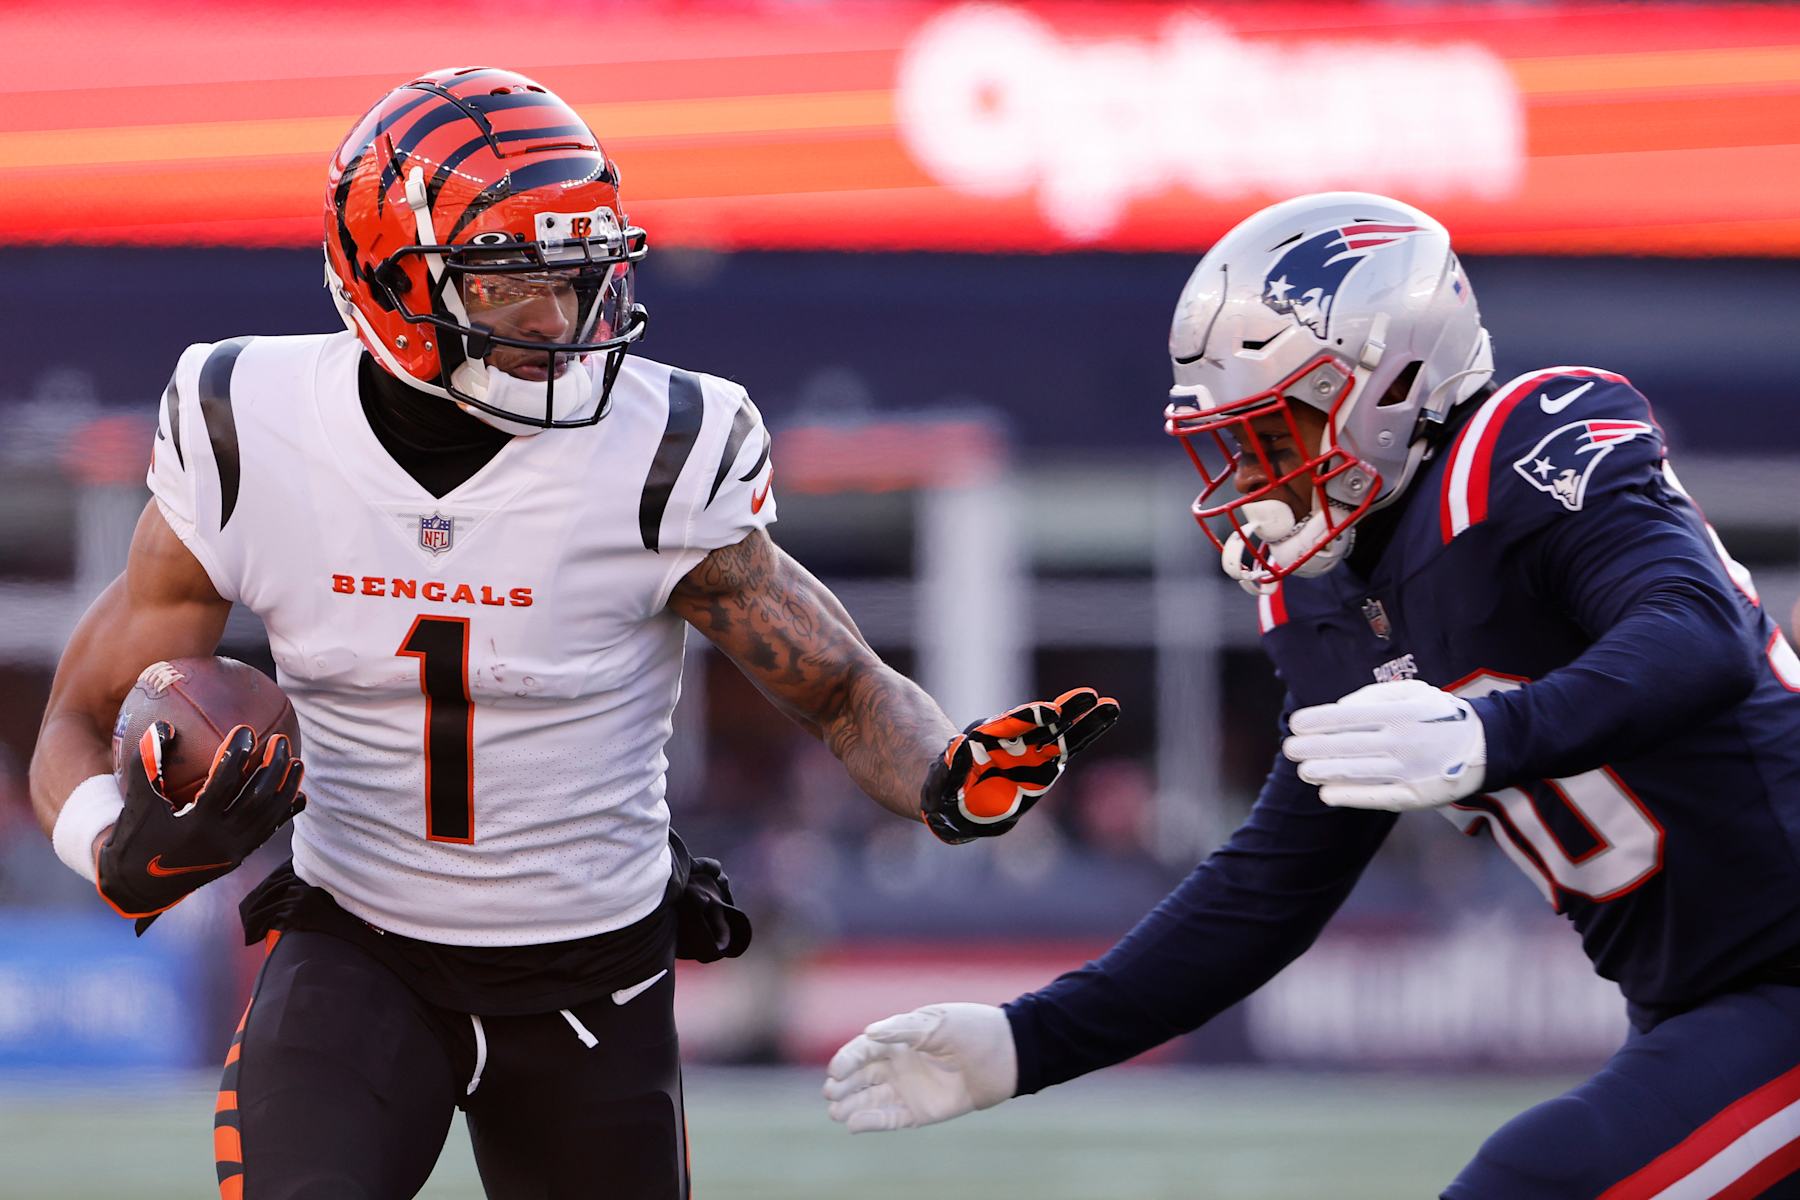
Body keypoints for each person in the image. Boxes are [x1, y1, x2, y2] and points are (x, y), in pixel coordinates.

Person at [28, 66, 1118, 1200]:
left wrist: (947, 774)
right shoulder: (246, 423)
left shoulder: (660, 451)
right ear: (390, 285)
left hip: (596, 979)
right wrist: (110, 838)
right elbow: (81, 715)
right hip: (358, 949)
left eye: (577, 278)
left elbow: (841, 688)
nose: (561, 320)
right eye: (511, 289)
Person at [823, 191, 1800, 1198]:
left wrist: (1488, 734)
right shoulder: (1323, 602)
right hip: (1702, 1007)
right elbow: (1271, 888)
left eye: (1277, 432)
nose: (1254, 474)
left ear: (1395, 383)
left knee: (1538, 1182)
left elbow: (1698, 636)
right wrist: (1030, 1042)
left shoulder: (1522, 448)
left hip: (1782, 978)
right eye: (1238, 443)